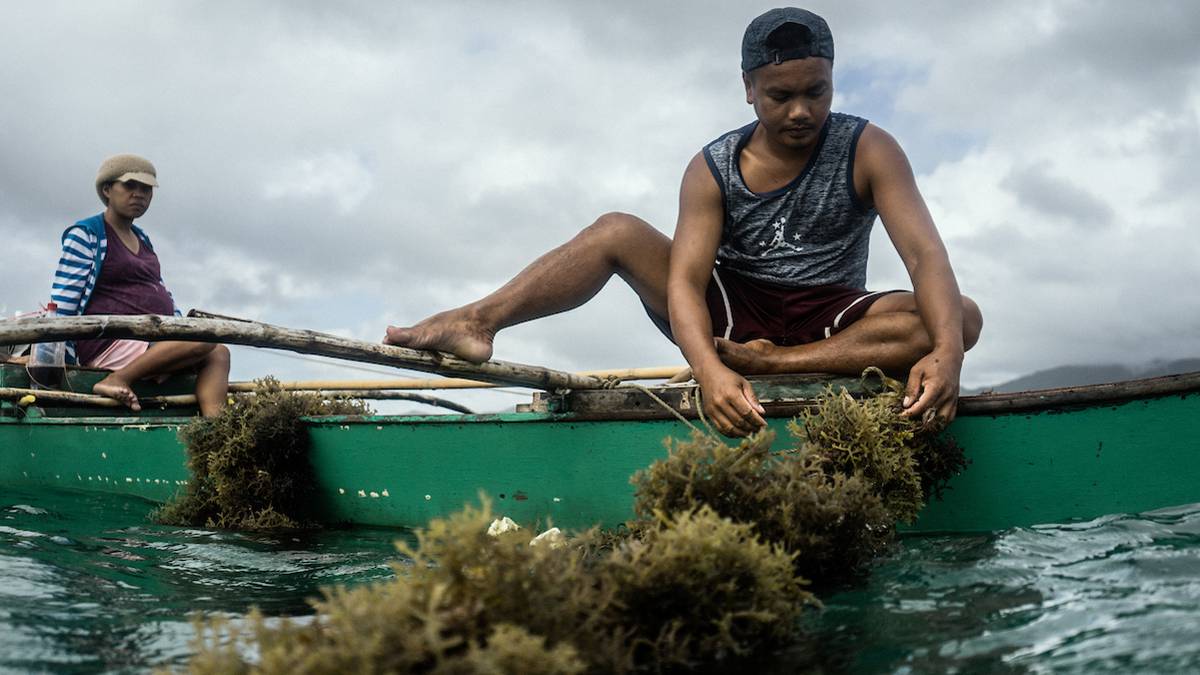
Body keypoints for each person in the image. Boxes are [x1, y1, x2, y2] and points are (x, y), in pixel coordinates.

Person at [385, 8, 982, 437]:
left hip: (831, 318)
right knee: (616, 228)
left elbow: (926, 258)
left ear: (831, 81)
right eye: (780, 96)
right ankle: (476, 321)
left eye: (816, 92)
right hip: (734, 314)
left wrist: (948, 354)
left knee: (962, 315)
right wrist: (709, 371)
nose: (801, 111)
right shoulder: (712, 166)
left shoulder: (869, 146)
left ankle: (773, 364)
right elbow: (685, 284)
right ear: (749, 89)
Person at [48, 154, 230, 416]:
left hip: (153, 340)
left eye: (146, 189)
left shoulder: (142, 238)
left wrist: (180, 324)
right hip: (110, 342)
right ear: (107, 190)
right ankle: (116, 379)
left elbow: (158, 289)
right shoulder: (87, 234)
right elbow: (64, 299)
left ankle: (217, 430)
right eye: (130, 186)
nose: (139, 194)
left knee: (219, 352)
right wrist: (62, 359)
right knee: (202, 340)